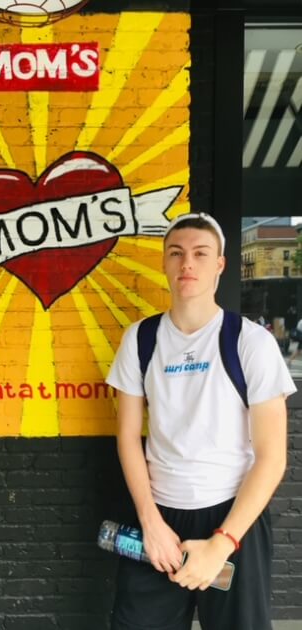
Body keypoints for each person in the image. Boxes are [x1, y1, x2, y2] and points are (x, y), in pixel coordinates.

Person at [105, 213, 296, 630]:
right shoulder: (141, 339)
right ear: (164, 263)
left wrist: (222, 544)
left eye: (199, 253)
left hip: (232, 519)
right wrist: (150, 522)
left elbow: (271, 457)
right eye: (176, 253)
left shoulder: (251, 342)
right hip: (158, 522)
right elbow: (127, 438)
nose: (186, 263)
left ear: (220, 265)